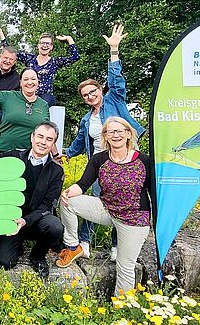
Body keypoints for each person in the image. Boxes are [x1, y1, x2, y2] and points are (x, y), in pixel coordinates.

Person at [65, 24, 146, 261]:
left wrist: (114, 51)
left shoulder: (115, 100)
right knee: (98, 200)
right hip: (102, 165)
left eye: (93, 91)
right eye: (85, 95)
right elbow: (80, 142)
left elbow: (117, 81)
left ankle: (116, 246)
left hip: (127, 161)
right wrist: (66, 154)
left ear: (101, 90)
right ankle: (85, 242)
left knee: (125, 203)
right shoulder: (86, 119)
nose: (90, 96)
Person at [56, 117, 155, 296]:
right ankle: (73, 247)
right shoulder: (99, 159)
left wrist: (158, 221)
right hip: (106, 209)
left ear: (128, 134)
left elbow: (153, 192)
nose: (115, 135)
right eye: (111, 132)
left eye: (120, 131)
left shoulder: (144, 161)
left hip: (133, 220)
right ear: (105, 136)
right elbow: (83, 184)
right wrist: (68, 191)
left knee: (125, 266)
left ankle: (121, 308)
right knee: (67, 202)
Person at [0, 121, 64, 278]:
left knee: (55, 227)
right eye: (40, 136)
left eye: (49, 139)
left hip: (36, 221)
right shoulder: (14, 156)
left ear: (53, 143)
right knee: (4, 262)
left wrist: (25, 220)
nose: (43, 142)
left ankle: (38, 255)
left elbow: (47, 205)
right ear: (32, 137)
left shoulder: (56, 171)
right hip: (11, 219)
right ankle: (16, 243)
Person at [0, 27, 79, 107]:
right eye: (42, 43)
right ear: (38, 45)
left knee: (40, 104)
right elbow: (11, 52)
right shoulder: (30, 58)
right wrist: (2, 36)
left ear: (51, 47)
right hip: (28, 93)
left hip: (45, 96)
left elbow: (75, 57)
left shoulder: (55, 62)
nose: (45, 46)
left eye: (48, 44)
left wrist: (69, 39)